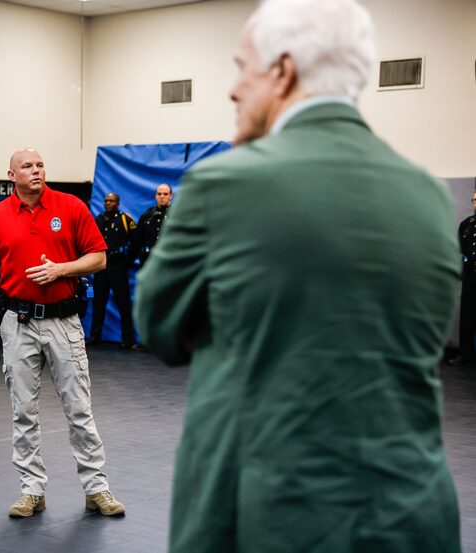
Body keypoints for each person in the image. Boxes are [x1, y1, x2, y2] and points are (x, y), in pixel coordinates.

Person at [134, 1, 462, 551]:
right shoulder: (427, 193)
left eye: (242, 68)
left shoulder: (223, 185)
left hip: (271, 516)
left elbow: (159, 325)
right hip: (412, 513)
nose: (234, 89)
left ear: (282, 72)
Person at [0, 148, 125, 518]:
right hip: (17, 323)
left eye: (39, 165)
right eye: (27, 166)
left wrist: (62, 270)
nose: (36, 171)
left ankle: (96, 487)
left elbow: (98, 258)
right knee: (23, 411)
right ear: (11, 175)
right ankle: (31, 490)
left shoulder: (70, 207)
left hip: (64, 322)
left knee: (79, 407)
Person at [88, 192, 139, 349]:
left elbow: (136, 242)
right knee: (99, 303)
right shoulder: (99, 219)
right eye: (106, 201)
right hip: (102, 266)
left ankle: (128, 339)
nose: (108, 203)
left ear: (117, 203)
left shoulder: (125, 220)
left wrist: (127, 261)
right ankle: (95, 336)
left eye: (111, 201)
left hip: (118, 265)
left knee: (123, 304)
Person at [451, 190, 476, 365]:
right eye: (474, 199)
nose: (475, 202)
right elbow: (460, 250)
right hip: (470, 275)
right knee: (467, 314)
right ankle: (465, 353)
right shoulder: (466, 224)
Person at [135, 183, 172, 267]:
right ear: (156, 196)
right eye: (159, 194)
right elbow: (137, 241)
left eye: (165, 194)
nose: (162, 196)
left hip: (169, 261)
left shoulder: (176, 216)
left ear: (170, 196)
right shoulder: (147, 216)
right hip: (148, 261)